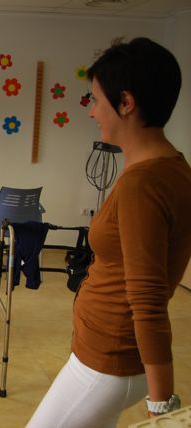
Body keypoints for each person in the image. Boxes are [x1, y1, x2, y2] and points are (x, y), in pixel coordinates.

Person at [27, 37, 191, 427]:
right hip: (108, 356)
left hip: (108, 361)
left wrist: (162, 406)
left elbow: (148, 300)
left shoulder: (143, 184)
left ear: (126, 103)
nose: (92, 111)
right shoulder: (174, 168)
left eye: (96, 100)